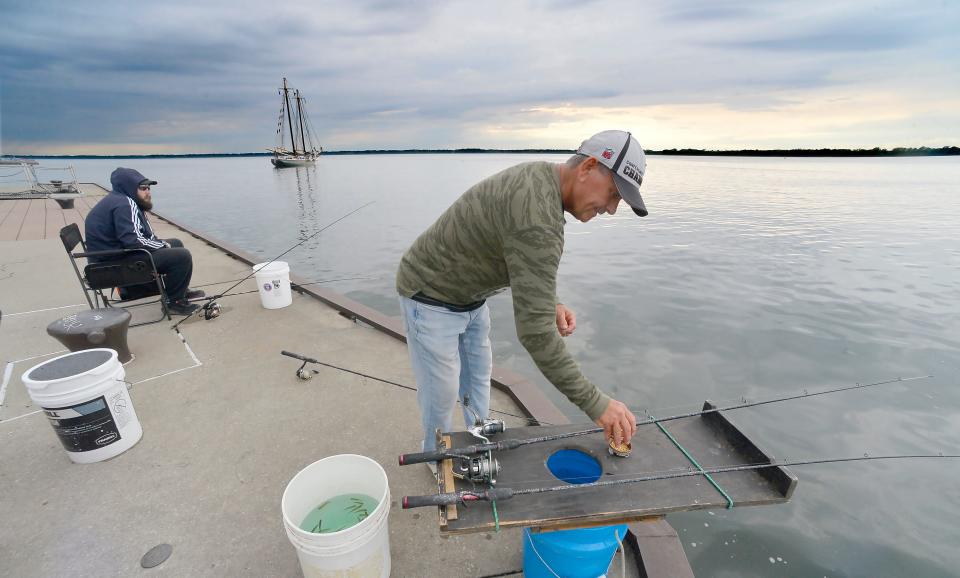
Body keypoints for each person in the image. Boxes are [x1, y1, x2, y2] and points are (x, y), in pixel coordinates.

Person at [397, 129, 647, 455]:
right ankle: (436, 458)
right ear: (587, 168)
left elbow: (519, 254)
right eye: (614, 194)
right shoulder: (538, 217)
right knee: (441, 391)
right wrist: (597, 403)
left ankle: (475, 441)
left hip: (469, 297)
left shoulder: (543, 180)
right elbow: (536, 334)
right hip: (428, 293)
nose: (612, 209)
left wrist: (549, 301)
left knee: (477, 377)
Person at [84, 167, 204, 316]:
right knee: (181, 256)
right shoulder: (125, 204)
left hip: (108, 260)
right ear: (129, 188)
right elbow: (134, 242)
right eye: (143, 188)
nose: (148, 192)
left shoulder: (121, 200)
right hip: (110, 267)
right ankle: (174, 303)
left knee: (176, 243)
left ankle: (179, 291)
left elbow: (143, 236)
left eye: (148, 188)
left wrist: (162, 244)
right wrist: (162, 245)